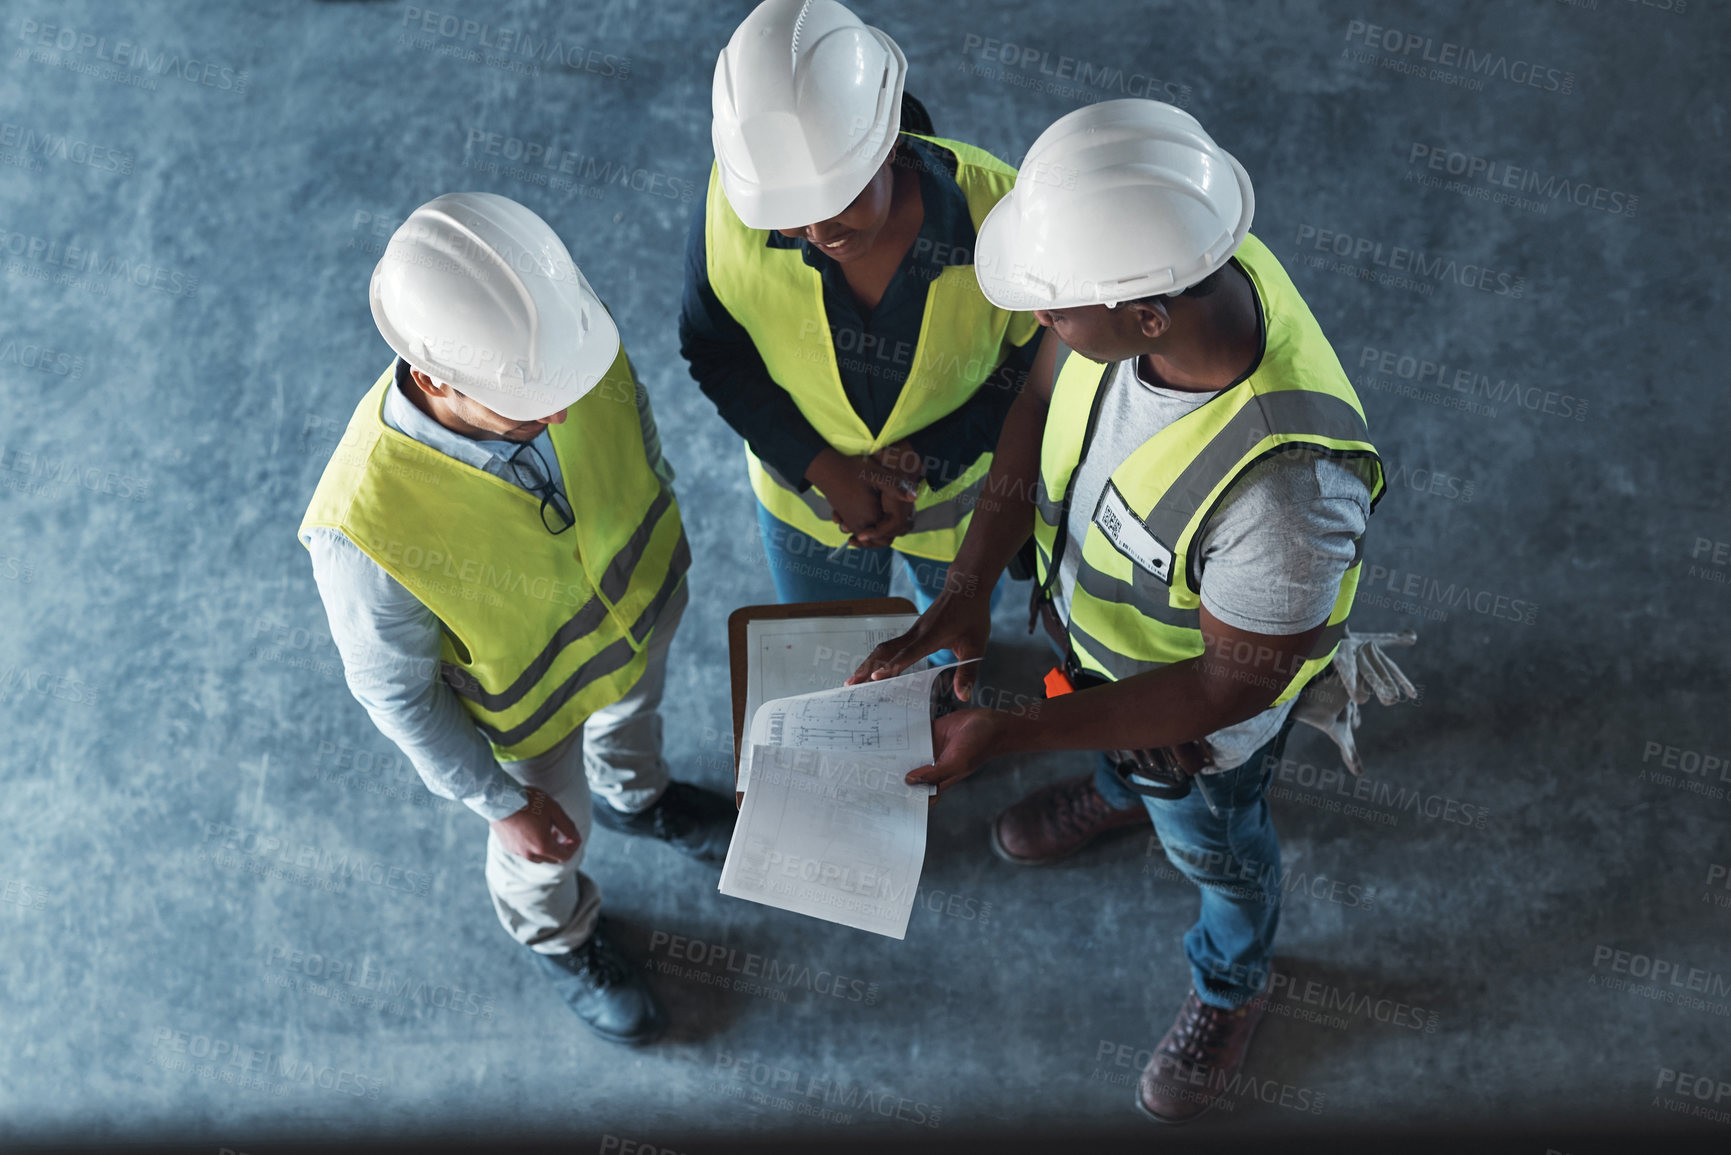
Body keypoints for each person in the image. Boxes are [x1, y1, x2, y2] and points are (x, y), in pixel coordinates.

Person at [849, 101, 1386, 1123]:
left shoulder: (1287, 496)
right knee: (1125, 748)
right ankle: (1120, 781)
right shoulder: (1169, 270)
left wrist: (1017, 734)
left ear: (1148, 317)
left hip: (1204, 732)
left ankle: (1233, 982)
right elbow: (1037, 405)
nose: (1038, 326)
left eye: (1055, 311)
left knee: (1220, 852)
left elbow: (1228, 684)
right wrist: (966, 590)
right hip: (1100, 654)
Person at [298, 192, 735, 1046]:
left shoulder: (556, 346)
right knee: (547, 843)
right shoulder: (363, 527)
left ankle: (636, 798)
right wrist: (499, 801)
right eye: (530, 410)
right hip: (527, 726)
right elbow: (400, 697)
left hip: (638, 609)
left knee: (634, 717)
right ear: (434, 379)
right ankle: (558, 933)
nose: (563, 412)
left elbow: (631, 426)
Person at [680, 0, 1040, 610]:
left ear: (889, 138)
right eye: (790, 215)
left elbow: (1038, 377)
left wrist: (926, 460)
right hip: (808, 507)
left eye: (839, 196)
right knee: (830, 651)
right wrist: (822, 468)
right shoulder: (733, 210)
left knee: (949, 652)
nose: (819, 231)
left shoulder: (1004, 219)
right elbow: (715, 352)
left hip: (957, 508)